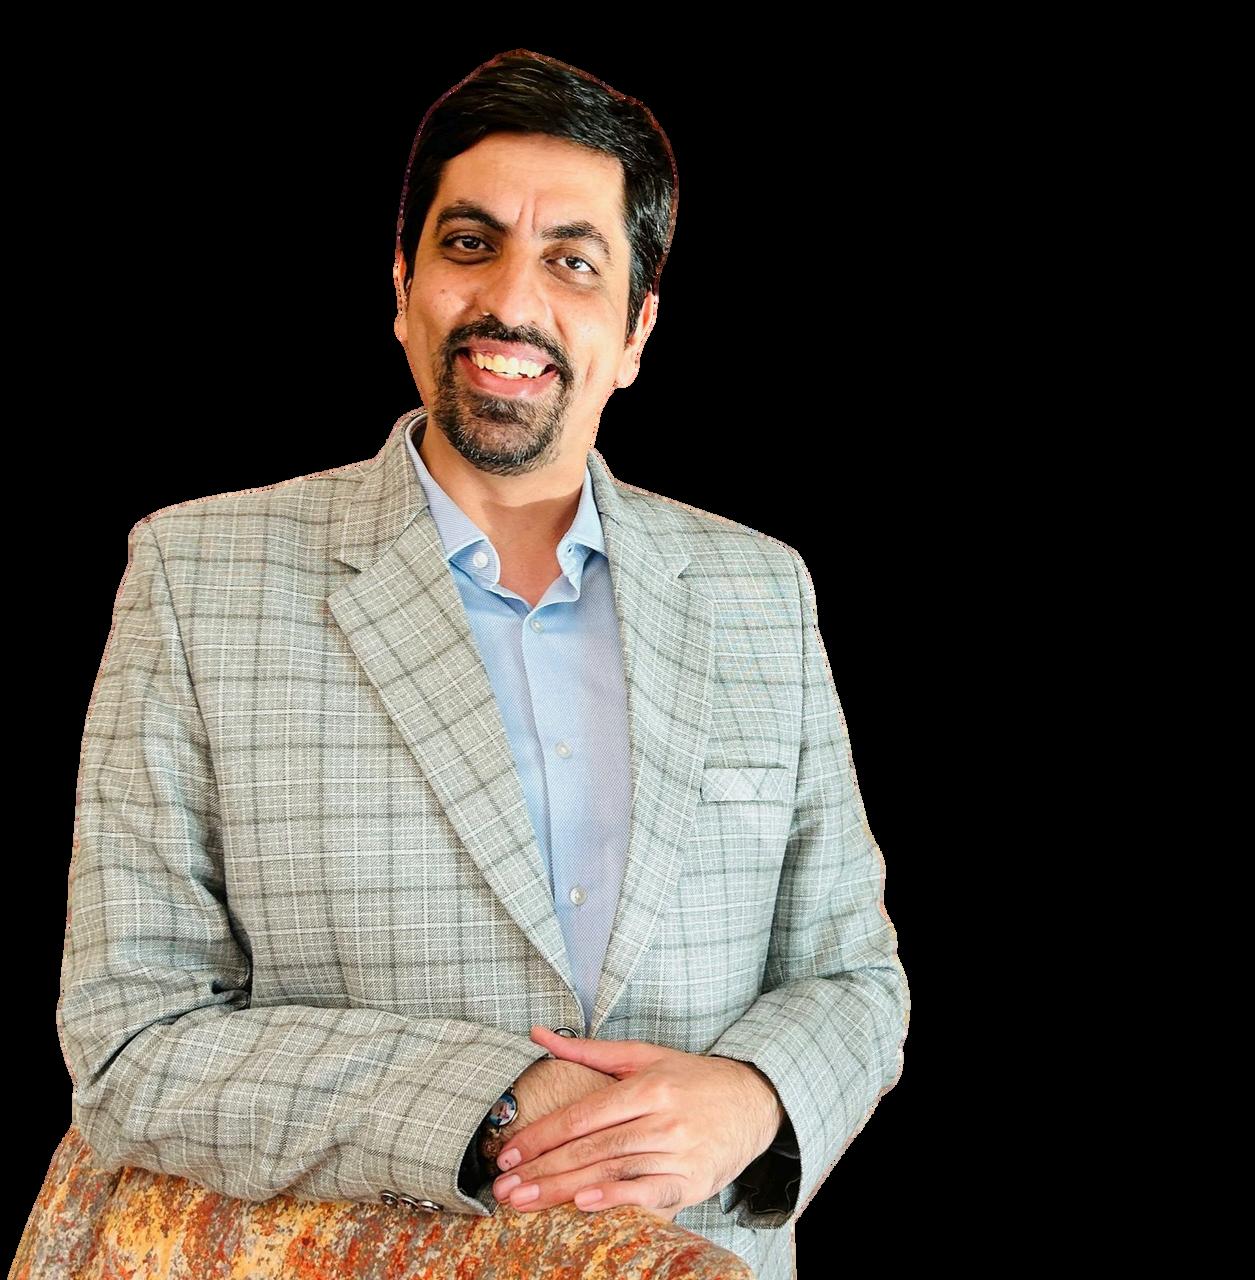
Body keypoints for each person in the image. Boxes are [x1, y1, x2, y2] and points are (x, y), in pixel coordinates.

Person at [56, 49, 909, 1280]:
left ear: (636, 328)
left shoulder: (757, 593)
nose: (511, 300)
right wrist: (494, 1098)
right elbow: (129, 1039)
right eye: (470, 244)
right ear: (403, 286)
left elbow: (853, 975)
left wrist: (752, 1093)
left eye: (573, 260)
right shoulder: (200, 578)